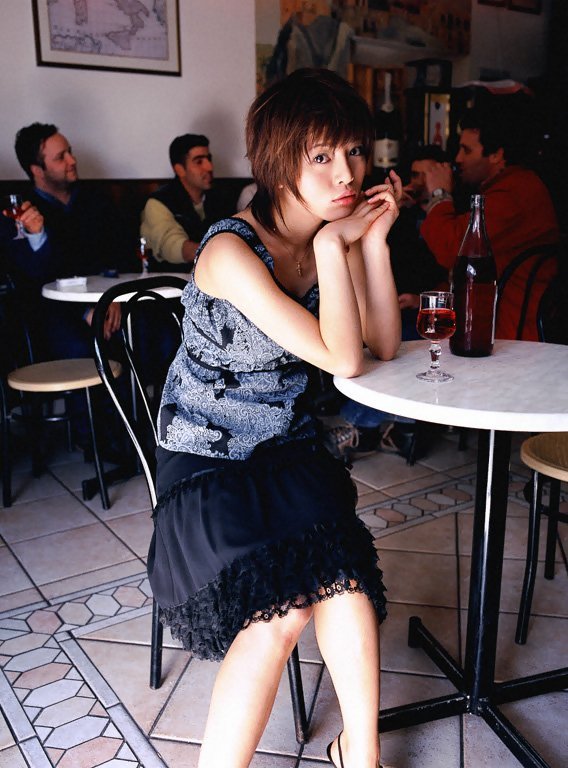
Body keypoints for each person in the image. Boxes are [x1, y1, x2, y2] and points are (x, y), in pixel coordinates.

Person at [147, 68, 401, 768]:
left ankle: (362, 754)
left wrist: (372, 242)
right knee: (285, 609)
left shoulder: (331, 233)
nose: (346, 173)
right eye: (321, 156)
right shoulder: (231, 250)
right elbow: (343, 357)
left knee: (345, 582)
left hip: (286, 448)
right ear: (279, 163)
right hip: (208, 457)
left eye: (354, 151)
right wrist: (332, 247)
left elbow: (381, 344)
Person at [3, 122, 135, 457]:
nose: (72, 160)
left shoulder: (95, 201)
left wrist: (113, 298)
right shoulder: (22, 213)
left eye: (70, 152)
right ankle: (96, 438)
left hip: (108, 302)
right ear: (37, 170)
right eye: (60, 157)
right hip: (51, 317)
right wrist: (84, 310)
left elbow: (121, 255)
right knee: (81, 345)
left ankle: (142, 429)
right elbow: (32, 279)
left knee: (149, 333)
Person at [330, 146, 449, 460]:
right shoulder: (401, 217)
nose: (418, 183)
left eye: (426, 176)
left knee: (409, 342)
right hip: (400, 301)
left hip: (436, 305)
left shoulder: (450, 216)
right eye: (414, 175)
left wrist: (423, 298)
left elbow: (456, 270)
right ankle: (394, 430)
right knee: (389, 338)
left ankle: (370, 426)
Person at [420, 103, 560, 341]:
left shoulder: (514, 194)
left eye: (466, 150)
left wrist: (439, 194)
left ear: (496, 155)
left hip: (511, 334)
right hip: (490, 321)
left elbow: (452, 249)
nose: (458, 158)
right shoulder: (513, 186)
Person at [140, 133, 233, 271]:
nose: (209, 167)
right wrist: (225, 254)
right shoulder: (158, 202)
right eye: (199, 162)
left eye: (209, 159)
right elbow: (172, 246)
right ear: (179, 170)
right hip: (170, 281)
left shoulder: (220, 197)